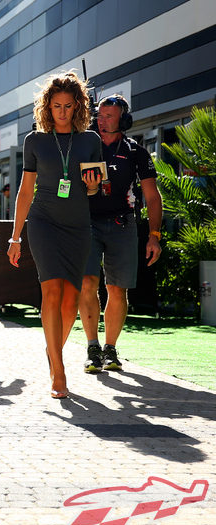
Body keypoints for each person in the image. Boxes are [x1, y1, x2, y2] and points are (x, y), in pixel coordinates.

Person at [7, 71, 103, 398]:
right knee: (51, 292)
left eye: (68, 105)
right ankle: (58, 373)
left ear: (78, 105)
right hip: (44, 222)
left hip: (78, 226)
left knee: (71, 300)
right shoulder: (34, 141)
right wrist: (16, 237)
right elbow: (24, 191)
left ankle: (53, 351)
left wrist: (93, 186)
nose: (62, 112)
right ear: (47, 106)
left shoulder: (91, 140)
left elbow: (95, 188)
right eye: (56, 105)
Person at [79, 94, 163, 373]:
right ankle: (92, 346)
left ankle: (110, 348)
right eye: (99, 116)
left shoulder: (136, 152)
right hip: (87, 222)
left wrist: (154, 235)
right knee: (88, 284)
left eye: (108, 117)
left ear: (123, 121)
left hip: (122, 224)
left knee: (117, 288)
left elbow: (152, 196)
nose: (101, 121)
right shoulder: (85, 146)